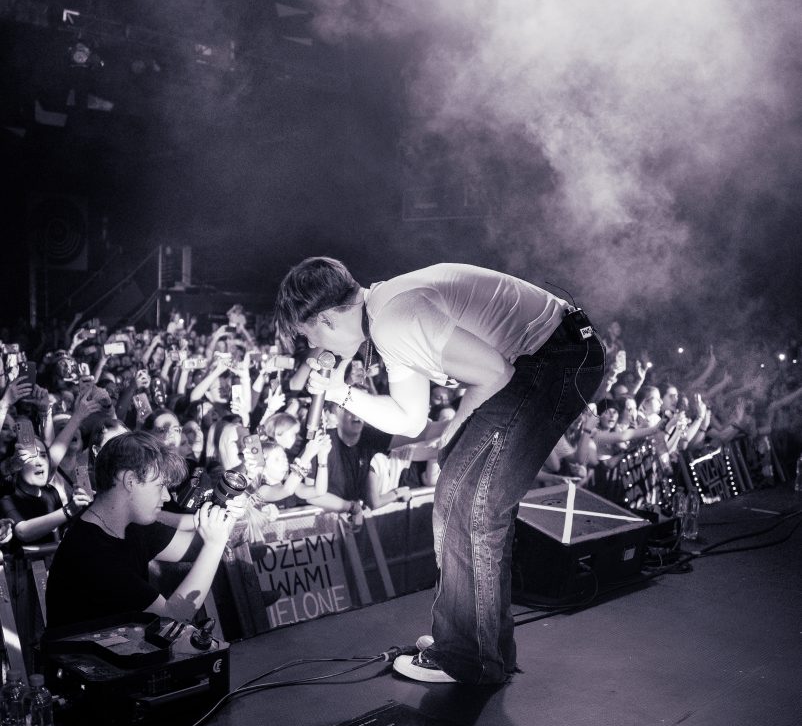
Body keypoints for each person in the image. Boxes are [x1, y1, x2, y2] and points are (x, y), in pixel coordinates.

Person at [273, 258, 605, 685]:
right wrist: (341, 394)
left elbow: (495, 374)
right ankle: (485, 648)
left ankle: (466, 656)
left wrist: (452, 437)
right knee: (471, 501)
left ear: (324, 319)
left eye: (307, 335)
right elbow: (410, 418)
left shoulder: (393, 319)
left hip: (554, 356)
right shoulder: (385, 315)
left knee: (463, 499)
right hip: (556, 353)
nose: (311, 346)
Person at [45, 431, 234, 631]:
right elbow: (171, 619)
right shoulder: (91, 552)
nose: (166, 497)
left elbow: (195, 548)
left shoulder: (129, 525)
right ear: (130, 481)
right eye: (160, 486)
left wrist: (224, 514)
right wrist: (214, 545)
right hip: (80, 651)